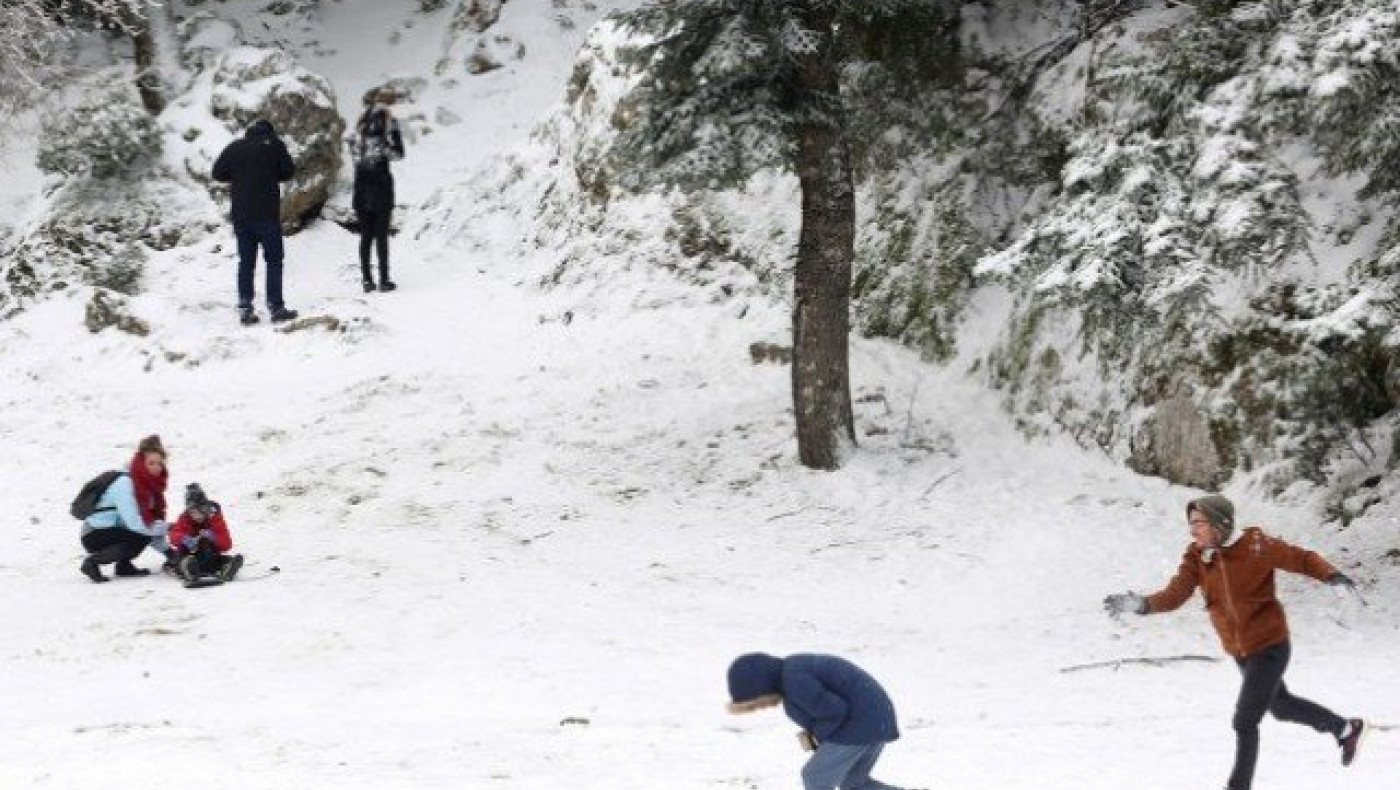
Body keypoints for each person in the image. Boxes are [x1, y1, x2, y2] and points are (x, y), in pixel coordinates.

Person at [1103, 495, 1367, 790]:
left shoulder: (1255, 545)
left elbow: (1301, 558)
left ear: (1220, 523)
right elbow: (1176, 593)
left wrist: (1333, 576)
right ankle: (1345, 728)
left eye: (1198, 523)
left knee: (1244, 721)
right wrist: (1142, 604)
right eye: (1190, 524)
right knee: (1280, 706)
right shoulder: (1196, 557)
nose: (1193, 531)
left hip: (1270, 645)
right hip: (1241, 652)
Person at [726, 652, 917, 790]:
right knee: (854, 783)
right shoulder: (793, 674)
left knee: (814, 777)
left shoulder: (795, 681)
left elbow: (834, 710)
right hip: (876, 719)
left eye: (757, 703)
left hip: (861, 722)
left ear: (762, 685)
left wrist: (815, 737)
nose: (762, 707)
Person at [212, 118, 299, 326]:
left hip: (242, 216)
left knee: (246, 263)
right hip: (267, 215)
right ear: (270, 133)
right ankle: (276, 307)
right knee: (274, 261)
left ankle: (245, 307)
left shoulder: (235, 147)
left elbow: (217, 173)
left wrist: (239, 175)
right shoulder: (274, 146)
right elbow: (288, 172)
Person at [78, 435, 172, 583]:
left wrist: (169, 553)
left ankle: (124, 566)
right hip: (94, 533)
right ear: (141, 462)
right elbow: (136, 524)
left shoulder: (148, 486)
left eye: (160, 463)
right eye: (151, 463)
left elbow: (151, 525)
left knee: (143, 534)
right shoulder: (125, 484)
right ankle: (92, 562)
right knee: (140, 534)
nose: (156, 467)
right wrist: (168, 529)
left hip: (113, 530)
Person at [350, 88, 406, 293]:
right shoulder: (385, 133)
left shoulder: (357, 133)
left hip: (361, 190)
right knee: (381, 235)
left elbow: (356, 159)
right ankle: (384, 280)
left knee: (366, 236)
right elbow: (399, 154)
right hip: (381, 189)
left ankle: (367, 280)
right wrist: (395, 131)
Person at [169, 483, 243, 583]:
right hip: (188, 555)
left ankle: (228, 566)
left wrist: (213, 537)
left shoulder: (215, 518)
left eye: (200, 510)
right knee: (182, 560)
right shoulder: (184, 518)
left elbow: (227, 544)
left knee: (221, 559)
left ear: (206, 507)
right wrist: (183, 538)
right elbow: (173, 535)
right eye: (192, 512)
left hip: (210, 555)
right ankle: (189, 570)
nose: (197, 515)